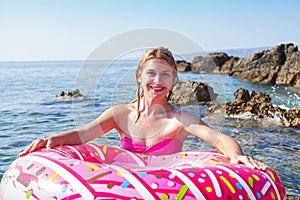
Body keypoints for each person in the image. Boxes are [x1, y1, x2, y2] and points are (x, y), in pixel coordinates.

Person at [20, 47, 266, 170]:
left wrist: (235, 155)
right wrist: (50, 140)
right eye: (151, 74)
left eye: (165, 75)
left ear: (173, 81)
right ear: (139, 76)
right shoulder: (119, 114)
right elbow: (82, 135)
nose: (157, 82)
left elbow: (220, 139)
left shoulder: (180, 120)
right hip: (126, 188)